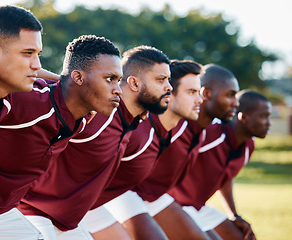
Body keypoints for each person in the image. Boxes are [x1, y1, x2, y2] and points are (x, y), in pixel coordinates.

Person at [0, 27, 123, 240]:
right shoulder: (28, 99)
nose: (118, 89)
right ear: (78, 77)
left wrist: (62, 81)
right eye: (110, 78)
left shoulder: (84, 116)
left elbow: (60, 85)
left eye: (118, 80)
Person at [16, 45, 172, 239]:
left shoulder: (131, 122)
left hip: (70, 221)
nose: (169, 87)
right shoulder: (96, 113)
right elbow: (21, 76)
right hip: (32, 210)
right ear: (134, 83)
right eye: (161, 80)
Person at [97, 64, 240, 239]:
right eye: (192, 92)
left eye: (198, 92)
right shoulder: (144, 127)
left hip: (155, 196)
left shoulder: (198, 130)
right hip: (123, 194)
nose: (200, 99)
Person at [83, 60, 205, 239]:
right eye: (192, 92)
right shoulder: (138, 129)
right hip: (89, 202)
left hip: (132, 197)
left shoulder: (170, 130)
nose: (199, 100)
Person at [169, 90, 271, 240]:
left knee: (244, 237)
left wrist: (233, 214)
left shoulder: (249, 145)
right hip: (174, 204)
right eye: (264, 116)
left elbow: (225, 177)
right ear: (243, 117)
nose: (269, 123)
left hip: (198, 207)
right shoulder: (211, 132)